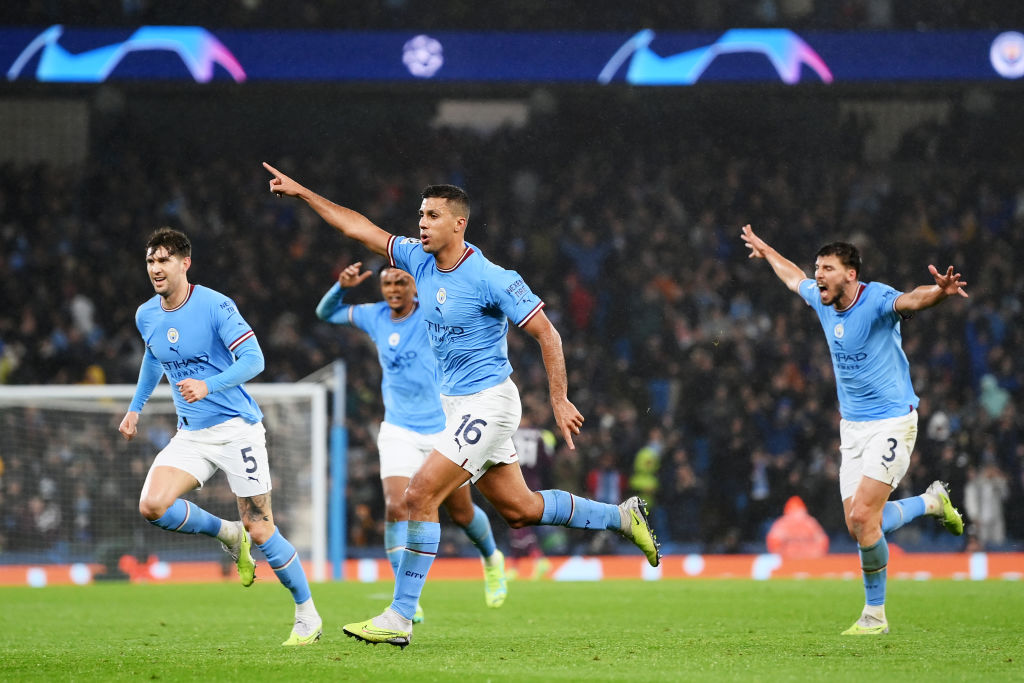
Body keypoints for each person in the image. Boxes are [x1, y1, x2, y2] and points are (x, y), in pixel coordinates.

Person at [264, 163, 660, 648]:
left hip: (490, 404)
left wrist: (559, 398)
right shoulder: (417, 260)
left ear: (459, 223)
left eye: (432, 215)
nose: (421, 224)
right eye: (419, 215)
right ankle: (622, 517)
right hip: (457, 407)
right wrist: (304, 192)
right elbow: (359, 227)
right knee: (520, 509)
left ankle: (400, 616)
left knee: (418, 495)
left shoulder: (492, 277)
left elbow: (547, 333)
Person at [740, 224, 965, 635]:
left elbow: (912, 298)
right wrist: (768, 249)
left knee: (864, 516)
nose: (818, 275)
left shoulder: (876, 298)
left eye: (827, 268)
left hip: (893, 419)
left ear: (851, 275)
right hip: (854, 427)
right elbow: (793, 277)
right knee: (858, 524)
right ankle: (932, 503)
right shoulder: (823, 301)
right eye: (818, 267)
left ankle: (874, 615)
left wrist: (939, 292)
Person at [118, 227, 321, 646]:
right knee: (153, 505)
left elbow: (255, 359)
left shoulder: (215, 305)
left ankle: (307, 614)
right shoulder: (147, 314)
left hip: (236, 431)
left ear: (185, 263)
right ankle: (227, 533)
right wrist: (135, 408)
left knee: (261, 528)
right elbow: (153, 358)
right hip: (191, 434)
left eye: (164, 260)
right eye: (151, 261)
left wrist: (209, 386)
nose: (156, 269)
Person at [315, 261, 509, 619]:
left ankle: (491, 557)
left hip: (443, 428)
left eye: (401, 282)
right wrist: (340, 286)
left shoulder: (431, 314)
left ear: (414, 286)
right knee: (395, 506)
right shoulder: (375, 316)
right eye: (388, 283)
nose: (393, 289)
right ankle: (406, 596)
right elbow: (325, 312)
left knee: (462, 513)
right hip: (399, 429)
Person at [765, 495, 829, 559]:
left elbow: (773, 542)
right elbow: (822, 541)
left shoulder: (783, 523)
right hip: (805, 559)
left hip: (793, 559)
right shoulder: (810, 521)